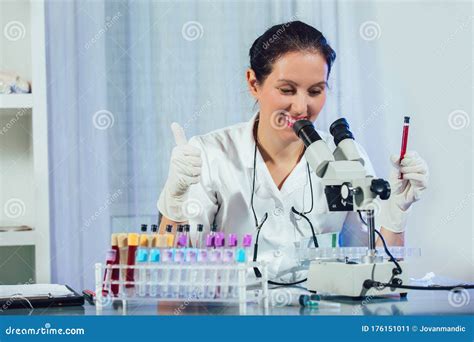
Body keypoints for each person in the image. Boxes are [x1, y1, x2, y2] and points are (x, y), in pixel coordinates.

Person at [157, 21, 429, 283]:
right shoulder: (211, 153)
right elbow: (171, 281)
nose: (301, 107)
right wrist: (175, 201)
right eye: (287, 89)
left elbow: (380, 278)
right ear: (254, 83)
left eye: (315, 91)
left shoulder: (344, 157)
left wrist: (395, 214)